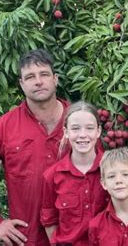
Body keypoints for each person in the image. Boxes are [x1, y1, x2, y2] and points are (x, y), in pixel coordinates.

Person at [0, 49, 69, 246]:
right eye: (30, 77)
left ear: (55, 79)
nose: (38, 81)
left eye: (44, 74)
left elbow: (105, 175)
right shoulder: (4, 127)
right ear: (21, 84)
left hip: (81, 236)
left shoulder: (81, 122)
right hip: (28, 239)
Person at [40, 101, 108, 245]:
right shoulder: (52, 175)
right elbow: (49, 220)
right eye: (75, 128)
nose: (82, 135)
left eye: (89, 128)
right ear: (66, 132)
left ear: (98, 131)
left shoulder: (111, 169)